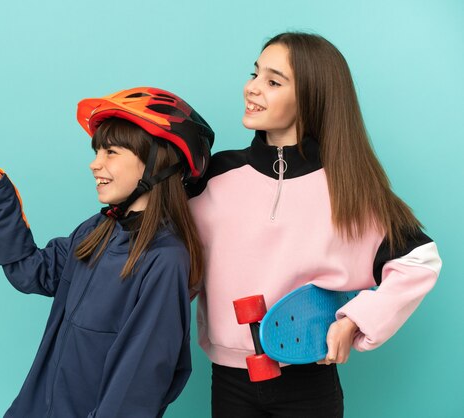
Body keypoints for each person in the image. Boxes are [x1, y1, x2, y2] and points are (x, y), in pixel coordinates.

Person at [187, 32, 442, 417]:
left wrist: (356, 320)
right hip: (228, 380)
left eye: (273, 82)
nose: (252, 89)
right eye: (254, 74)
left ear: (310, 98)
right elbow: (170, 252)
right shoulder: (216, 174)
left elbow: (419, 260)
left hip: (309, 384)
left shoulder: (349, 186)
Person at [0, 87, 215, 418]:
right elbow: (28, 269)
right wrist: (0, 196)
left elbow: (139, 384)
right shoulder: (97, 230)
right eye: (97, 152)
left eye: (110, 152)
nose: (95, 164)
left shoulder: (164, 260)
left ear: (156, 162)